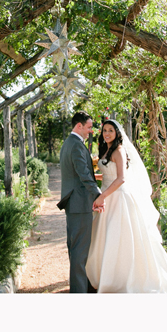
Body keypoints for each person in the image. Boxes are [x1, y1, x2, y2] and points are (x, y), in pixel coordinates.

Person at [86, 118, 167, 293]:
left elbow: (121, 178)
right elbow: (109, 174)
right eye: (104, 130)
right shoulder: (106, 149)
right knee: (107, 238)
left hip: (118, 198)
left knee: (121, 239)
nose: (107, 133)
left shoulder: (119, 150)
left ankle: (126, 280)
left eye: (110, 130)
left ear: (117, 133)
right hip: (108, 197)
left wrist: (102, 196)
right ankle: (108, 277)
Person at [58, 111, 103, 293]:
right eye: (89, 127)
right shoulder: (76, 145)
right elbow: (84, 175)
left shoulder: (70, 143)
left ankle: (82, 286)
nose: (90, 131)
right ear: (79, 126)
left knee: (76, 247)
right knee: (79, 250)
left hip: (75, 203)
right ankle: (79, 292)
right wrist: (98, 195)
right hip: (79, 202)